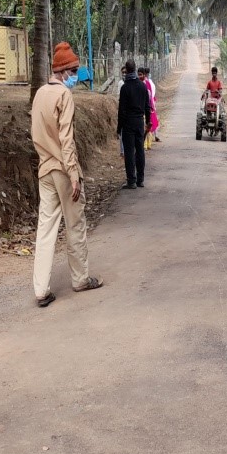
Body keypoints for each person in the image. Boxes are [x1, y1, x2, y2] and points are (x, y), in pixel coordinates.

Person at [30, 42, 103, 308]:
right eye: (73, 72)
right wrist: (73, 173)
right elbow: (66, 139)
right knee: (75, 225)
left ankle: (41, 290)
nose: (75, 76)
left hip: (45, 170)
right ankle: (80, 279)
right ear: (62, 72)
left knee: (45, 230)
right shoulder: (64, 95)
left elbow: (36, 134)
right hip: (63, 170)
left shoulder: (40, 94)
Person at [118, 59, 151, 189]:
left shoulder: (125, 88)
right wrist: (148, 122)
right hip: (139, 122)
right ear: (135, 69)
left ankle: (131, 180)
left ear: (126, 70)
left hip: (128, 123)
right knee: (140, 150)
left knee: (129, 152)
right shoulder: (142, 86)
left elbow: (121, 110)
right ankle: (140, 180)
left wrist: (119, 127)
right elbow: (147, 106)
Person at [138, 67, 158, 150]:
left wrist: (150, 106)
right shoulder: (148, 83)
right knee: (147, 126)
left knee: (146, 126)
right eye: (138, 74)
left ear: (144, 74)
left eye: (141, 74)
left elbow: (150, 96)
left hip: (145, 108)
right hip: (145, 107)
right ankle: (147, 144)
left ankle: (146, 144)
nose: (139, 76)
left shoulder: (144, 84)